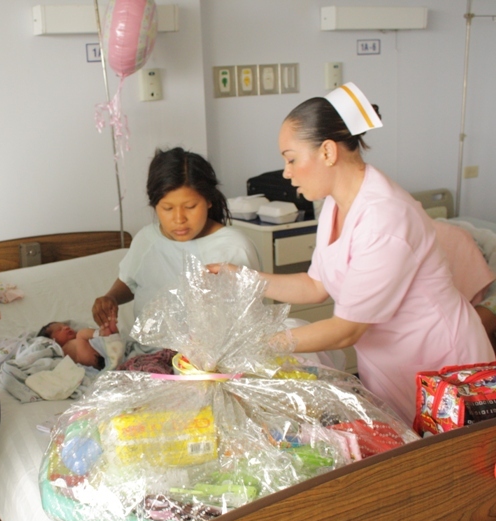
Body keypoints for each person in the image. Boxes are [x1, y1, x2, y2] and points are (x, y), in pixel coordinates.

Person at [210, 82, 494, 424]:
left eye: (291, 159)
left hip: (444, 366)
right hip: (393, 366)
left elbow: (346, 330)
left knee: (450, 458)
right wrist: (241, 277)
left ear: (328, 152)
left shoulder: (384, 217)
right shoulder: (335, 204)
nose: (286, 172)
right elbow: (314, 286)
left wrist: (260, 343)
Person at [92, 147, 261, 337]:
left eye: (190, 206)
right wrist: (111, 298)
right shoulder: (147, 239)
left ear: (208, 200)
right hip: (145, 350)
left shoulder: (234, 247)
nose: (179, 219)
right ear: (154, 205)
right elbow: (130, 280)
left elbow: (248, 318)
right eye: (168, 208)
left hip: (207, 353)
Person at [37, 321, 122, 369]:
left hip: (100, 351)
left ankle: (107, 334)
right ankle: (105, 333)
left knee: (82, 334)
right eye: (59, 329)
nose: (66, 327)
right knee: (81, 334)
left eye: (65, 326)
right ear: (52, 340)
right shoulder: (61, 350)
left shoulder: (76, 339)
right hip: (93, 361)